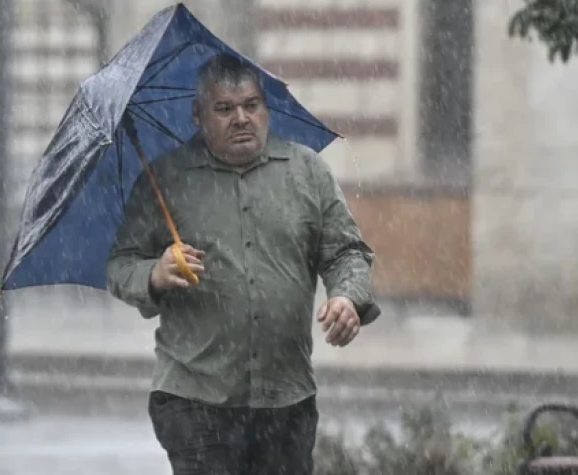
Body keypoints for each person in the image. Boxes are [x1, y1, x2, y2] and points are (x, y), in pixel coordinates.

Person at [106, 52, 380, 475]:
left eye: (251, 105)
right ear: (198, 114)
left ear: (266, 107)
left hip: (285, 400)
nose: (241, 118)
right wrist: (154, 274)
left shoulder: (306, 172)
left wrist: (346, 297)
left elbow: (347, 252)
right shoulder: (165, 180)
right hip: (195, 399)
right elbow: (121, 264)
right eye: (224, 108)